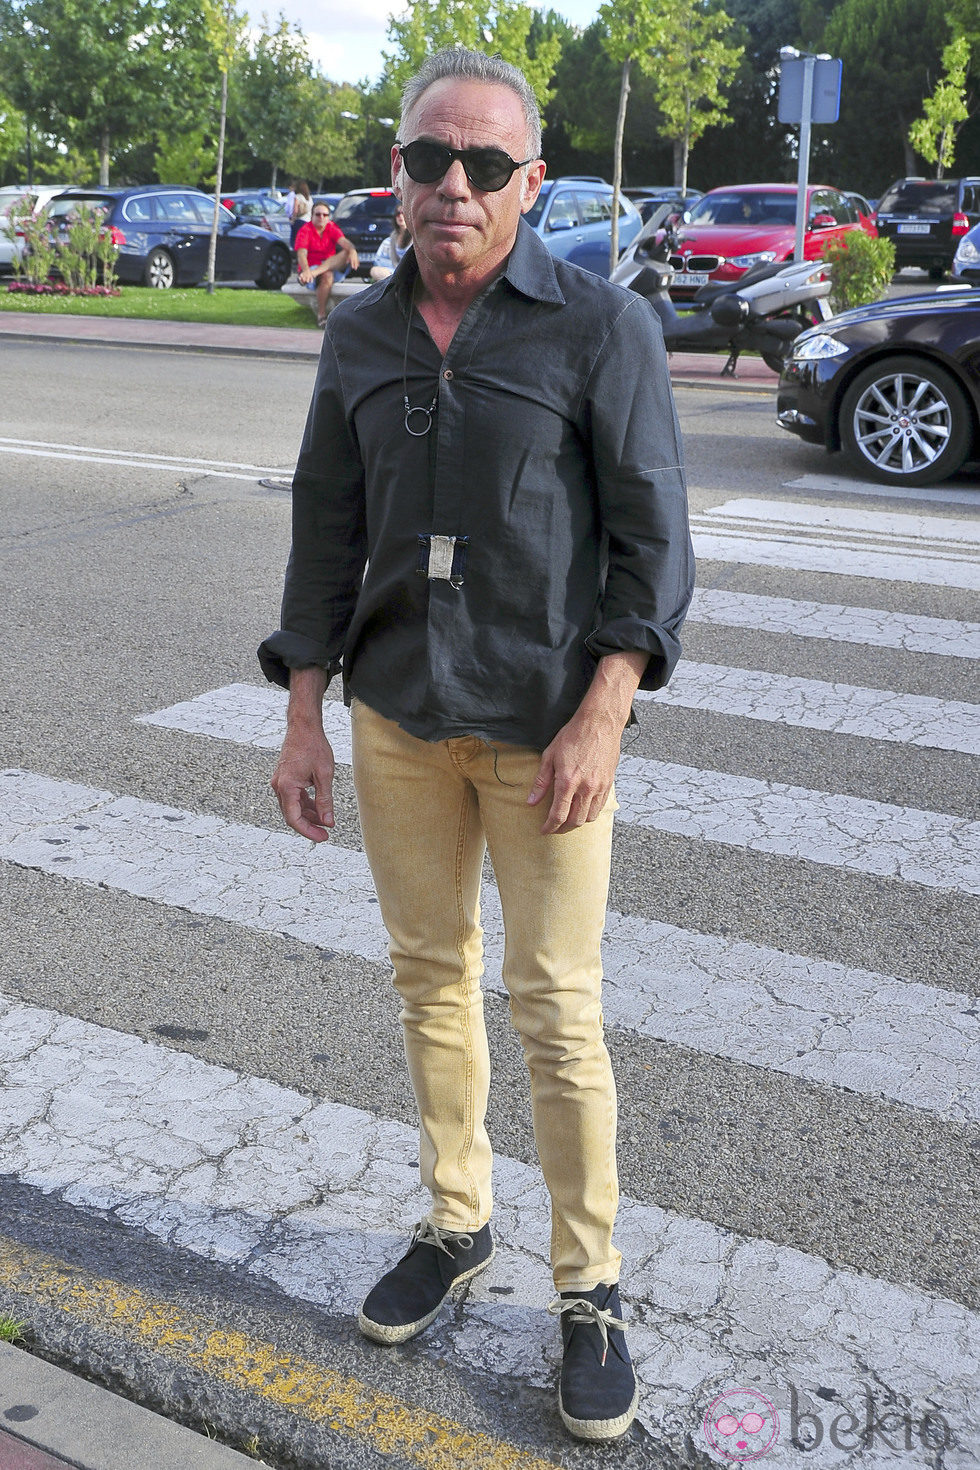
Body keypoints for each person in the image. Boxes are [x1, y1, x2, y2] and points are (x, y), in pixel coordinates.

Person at [260, 46, 693, 1443]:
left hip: (545, 728)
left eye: (486, 165)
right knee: (428, 980)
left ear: (532, 184)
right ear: (396, 173)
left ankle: (592, 1285)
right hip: (396, 715)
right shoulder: (359, 332)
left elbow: (652, 534)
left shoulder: (596, 325)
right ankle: (459, 1221)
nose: (454, 186)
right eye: (429, 160)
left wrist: (607, 709)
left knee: (557, 1012)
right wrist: (303, 708)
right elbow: (326, 524)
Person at [294, 204, 359, 327]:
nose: (321, 217)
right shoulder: (305, 230)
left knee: (346, 251)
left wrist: (353, 251)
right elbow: (301, 254)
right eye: (318, 214)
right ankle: (321, 315)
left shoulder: (331, 227)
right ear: (312, 216)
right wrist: (307, 271)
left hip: (320, 270)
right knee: (327, 276)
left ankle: (316, 273)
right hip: (310, 268)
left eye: (325, 215)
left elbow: (345, 243)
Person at [369, 203, 412, 280]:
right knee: (374, 270)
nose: (400, 216)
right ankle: (393, 285)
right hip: (389, 273)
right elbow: (378, 261)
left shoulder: (416, 240)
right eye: (397, 213)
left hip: (408, 275)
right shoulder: (388, 241)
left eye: (403, 213)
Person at [289, 179, 312, 247]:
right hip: (308, 221)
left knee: (294, 240)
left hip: (299, 221)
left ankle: (296, 254)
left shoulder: (297, 197)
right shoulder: (309, 198)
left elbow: (295, 210)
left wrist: (292, 220)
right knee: (305, 240)